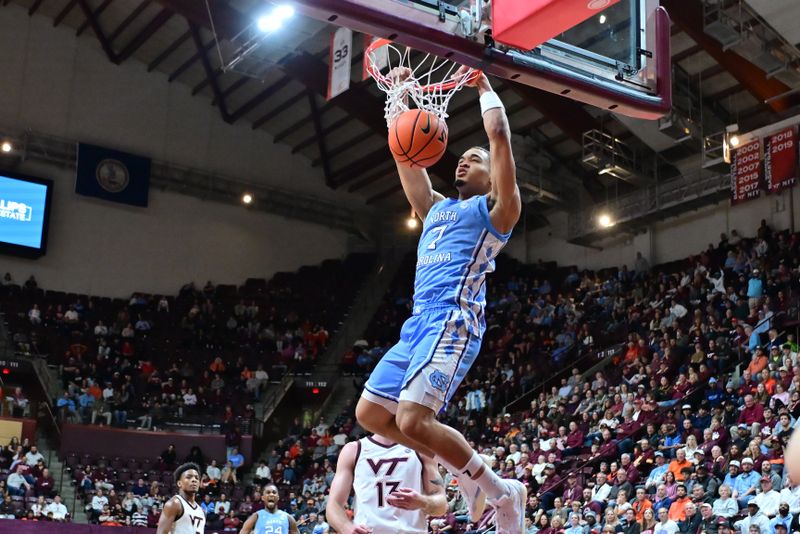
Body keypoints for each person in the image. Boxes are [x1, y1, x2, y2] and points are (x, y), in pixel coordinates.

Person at [355, 65, 524, 532]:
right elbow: (406, 160)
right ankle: (464, 472)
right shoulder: (435, 210)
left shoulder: (496, 210)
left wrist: (486, 91)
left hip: (453, 320)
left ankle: (499, 492)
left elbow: (500, 139)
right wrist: (403, 97)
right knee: (370, 413)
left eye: (474, 158)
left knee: (410, 420)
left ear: (493, 176)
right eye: (461, 157)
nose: (463, 162)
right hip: (418, 325)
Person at [326, 433, 447, 534]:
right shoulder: (354, 449)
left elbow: (442, 506)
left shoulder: (422, 448)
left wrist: (423, 502)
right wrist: (346, 527)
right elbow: (333, 505)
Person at [156, 462, 205, 534]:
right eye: (189, 477)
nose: (194, 480)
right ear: (179, 483)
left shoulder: (201, 511)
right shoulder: (174, 504)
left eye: (197, 478)